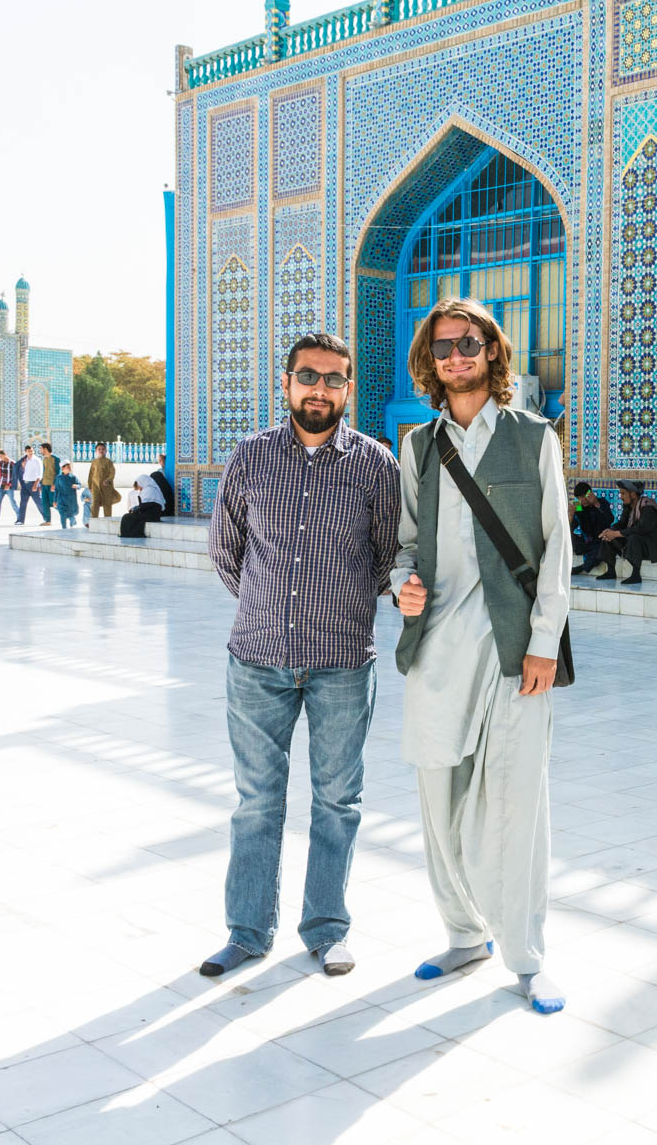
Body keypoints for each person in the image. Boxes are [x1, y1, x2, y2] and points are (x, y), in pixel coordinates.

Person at [201, 331, 401, 981]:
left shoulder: (376, 466)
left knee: (337, 800)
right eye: (308, 376)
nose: (320, 389)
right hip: (258, 661)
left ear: (348, 388)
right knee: (256, 801)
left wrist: (332, 609)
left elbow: (386, 558)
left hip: (343, 661)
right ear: (285, 384)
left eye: (333, 378)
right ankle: (246, 932)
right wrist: (269, 609)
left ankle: (325, 930)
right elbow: (226, 551)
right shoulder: (251, 458)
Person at [391, 296, 570, 1016]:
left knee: (518, 804)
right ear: (429, 363)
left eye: (469, 343)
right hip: (437, 650)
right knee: (439, 801)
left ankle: (526, 958)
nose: (456, 356)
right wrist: (399, 582)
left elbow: (559, 546)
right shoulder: (417, 447)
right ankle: (465, 934)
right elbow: (405, 541)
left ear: (493, 350)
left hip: (514, 653)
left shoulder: (534, 438)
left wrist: (544, 643)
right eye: (443, 348)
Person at [596, 478, 657, 585]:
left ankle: (636, 575)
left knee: (634, 538)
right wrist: (610, 530)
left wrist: (616, 533)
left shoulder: (648, 507)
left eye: (623, 494)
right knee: (608, 537)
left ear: (633, 495)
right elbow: (622, 523)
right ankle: (611, 571)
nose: (621, 497)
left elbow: (641, 528)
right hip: (639, 544)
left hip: (653, 547)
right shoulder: (628, 507)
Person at [570, 482, 613, 576]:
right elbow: (571, 526)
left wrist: (596, 504)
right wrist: (570, 515)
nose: (582, 500)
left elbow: (610, 520)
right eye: (579, 498)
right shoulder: (578, 505)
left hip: (600, 540)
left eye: (583, 497)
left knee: (601, 547)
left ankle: (582, 568)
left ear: (590, 494)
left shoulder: (601, 502)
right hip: (586, 542)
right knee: (569, 536)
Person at [119, 473, 166, 538]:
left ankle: (132, 534)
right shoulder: (147, 489)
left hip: (152, 515)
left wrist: (136, 509)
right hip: (148, 513)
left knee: (128, 517)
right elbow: (145, 505)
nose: (139, 487)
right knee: (127, 517)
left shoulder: (150, 490)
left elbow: (147, 505)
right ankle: (127, 534)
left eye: (138, 485)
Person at [0, 450, 20, 523]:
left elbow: (15, 476)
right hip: (1, 487)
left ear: (5, 455)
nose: (0, 458)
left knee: (13, 503)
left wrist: (9, 484)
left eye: (1, 456)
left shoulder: (12, 463)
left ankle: (19, 518)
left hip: (9, 488)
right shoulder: (0, 463)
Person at [87, 444, 118, 522]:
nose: (101, 451)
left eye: (103, 449)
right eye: (99, 449)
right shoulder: (94, 462)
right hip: (95, 487)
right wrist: (90, 486)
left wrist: (108, 480)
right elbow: (91, 474)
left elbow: (112, 473)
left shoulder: (108, 462)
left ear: (106, 451)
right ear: (96, 451)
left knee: (107, 505)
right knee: (95, 504)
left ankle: (108, 522)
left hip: (106, 487)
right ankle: (94, 522)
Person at [16, 446, 42, 524]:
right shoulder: (24, 461)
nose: (31, 452)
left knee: (38, 502)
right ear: (26, 452)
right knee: (23, 503)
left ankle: (47, 518)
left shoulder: (37, 460)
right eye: (29, 451)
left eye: (32, 451)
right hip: (25, 484)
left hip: (33, 483)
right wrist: (23, 466)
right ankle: (20, 520)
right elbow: (24, 472)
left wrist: (36, 484)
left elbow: (40, 473)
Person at [54, 462, 83, 529]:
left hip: (71, 500)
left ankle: (73, 522)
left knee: (71, 514)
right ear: (62, 469)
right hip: (61, 500)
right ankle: (64, 528)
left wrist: (77, 486)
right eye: (68, 467)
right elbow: (57, 489)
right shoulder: (59, 477)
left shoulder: (73, 477)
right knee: (62, 514)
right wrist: (55, 500)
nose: (70, 468)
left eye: (70, 467)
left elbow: (79, 485)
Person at [38, 443, 58, 525]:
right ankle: (48, 521)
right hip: (44, 484)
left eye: (41, 449)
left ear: (45, 449)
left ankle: (68, 514)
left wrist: (54, 484)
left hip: (51, 485)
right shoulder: (44, 459)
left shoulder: (55, 459)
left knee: (53, 503)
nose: (40, 450)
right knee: (44, 503)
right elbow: (44, 472)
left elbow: (58, 472)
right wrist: (40, 484)